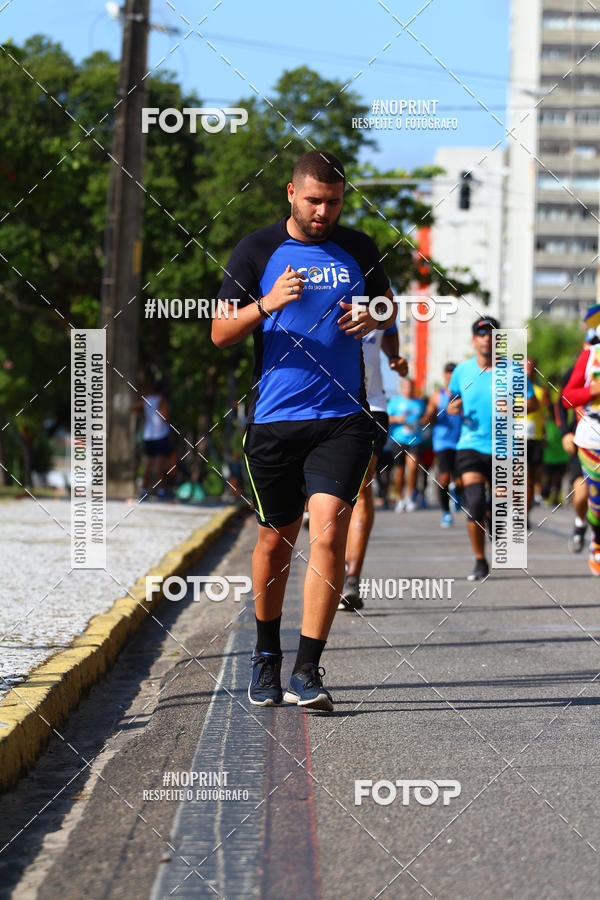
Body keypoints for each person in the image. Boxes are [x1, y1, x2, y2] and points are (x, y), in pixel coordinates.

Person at [212, 150, 403, 710]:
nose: (324, 212)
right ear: (290, 194)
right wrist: (267, 303)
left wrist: (376, 316)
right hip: (274, 420)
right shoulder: (256, 250)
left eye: (335, 202)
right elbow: (221, 333)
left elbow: (389, 308)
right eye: (315, 200)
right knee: (275, 541)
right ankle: (265, 657)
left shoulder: (360, 247)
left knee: (329, 530)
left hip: (342, 419)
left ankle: (307, 670)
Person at [447, 316, 538, 581]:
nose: (487, 338)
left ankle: (494, 518)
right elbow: (452, 401)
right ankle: (479, 560)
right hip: (470, 444)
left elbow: (533, 404)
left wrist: (513, 407)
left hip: (504, 446)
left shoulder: (514, 371)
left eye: (492, 334)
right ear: (474, 339)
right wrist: (453, 407)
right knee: (474, 503)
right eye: (482, 333)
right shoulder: (461, 371)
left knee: (502, 501)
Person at [339, 323, 406, 611]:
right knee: (329, 495)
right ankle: (332, 566)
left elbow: (390, 332)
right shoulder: (318, 283)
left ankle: (351, 579)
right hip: (324, 406)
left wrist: (396, 358)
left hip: (371, 407)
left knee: (361, 489)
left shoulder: (379, 294)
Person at [561, 312, 600, 575]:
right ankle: (596, 540)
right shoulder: (591, 356)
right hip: (592, 438)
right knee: (595, 500)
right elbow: (566, 397)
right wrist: (593, 391)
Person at [557, 336, 592, 552]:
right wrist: (564, 434)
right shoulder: (577, 370)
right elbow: (561, 403)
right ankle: (580, 522)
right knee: (581, 495)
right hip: (582, 441)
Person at [421, 362, 463, 527]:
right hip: (443, 441)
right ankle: (446, 513)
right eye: (448, 372)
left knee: (462, 480)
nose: (451, 375)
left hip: (462, 441)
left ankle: (457, 491)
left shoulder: (464, 393)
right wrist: (428, 417)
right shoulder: (437, 396)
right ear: (444, 375)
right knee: (444, 478)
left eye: (454, 372)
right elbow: (427, 416)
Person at [388, 378, 425, 512]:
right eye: (406, 387)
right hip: (398, 440)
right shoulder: (394, 402)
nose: (408, 389)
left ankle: (410, 497)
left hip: (415, 440)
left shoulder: (419, 402)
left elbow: (424, 417)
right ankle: (399, 498)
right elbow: (386, 418)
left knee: (413, 468)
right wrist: (398, 419)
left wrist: (422, 420)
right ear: (401, 388)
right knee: (399, 471)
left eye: (410, 387)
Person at [133, 377, 172, 500]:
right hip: (160, 435)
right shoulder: (161, 401)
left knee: (149, 464)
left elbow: (133, 408)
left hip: (148, 435)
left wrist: (143, 415)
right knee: (160, 464)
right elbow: (165, 418)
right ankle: (161, 491)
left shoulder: (147, 400)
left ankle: (144, 490)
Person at [526, 357, 550, 521]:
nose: (527, 370)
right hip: (516, 438)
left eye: (531, 367)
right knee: (524, 478)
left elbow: (546, 415)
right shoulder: (511, 387)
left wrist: (545, 434)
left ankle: (525, 511)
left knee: (534, 477)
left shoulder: (541, 391)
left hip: (535, 438)